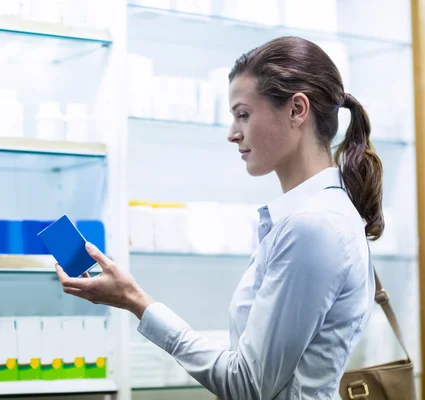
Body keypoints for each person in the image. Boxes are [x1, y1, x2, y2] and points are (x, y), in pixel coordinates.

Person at [55, 36, 383, 400]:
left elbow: (248, 386)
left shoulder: (315, 226)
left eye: (243, 114)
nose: (233, 134)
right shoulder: (317, 217)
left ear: (297, 110)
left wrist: (135, 300)